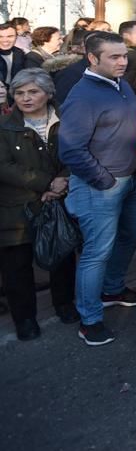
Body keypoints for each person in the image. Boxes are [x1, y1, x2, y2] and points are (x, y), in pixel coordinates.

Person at [58, 32, 136, 346]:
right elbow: (71, 150)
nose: (122, 62)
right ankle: (90, 319)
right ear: (92, 58)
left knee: (134, 231)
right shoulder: (82, 95)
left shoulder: (121, 84)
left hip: (133, 178)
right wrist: (104, 180)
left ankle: (113, 288)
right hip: (102, 184)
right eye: (114, 56)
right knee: (96, 252)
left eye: (124, 55)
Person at [0, 69, 77, 339]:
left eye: (33, 92)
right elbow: (4, 167)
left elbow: (78, 152)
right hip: (16, 207)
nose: (26, 98)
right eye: (19, 93)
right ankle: (25, 319)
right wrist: (46, 184)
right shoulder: (5, 126)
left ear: (48, 93)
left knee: (62, 256)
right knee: (17, 267)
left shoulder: (65, 119)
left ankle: (65, 304)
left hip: (58, 200)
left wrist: (63, 180)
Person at [0, 21, 29, 92]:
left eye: (10, 36)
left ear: (16, 37)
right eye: (0, 37)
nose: (5, 40)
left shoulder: (19, 54)